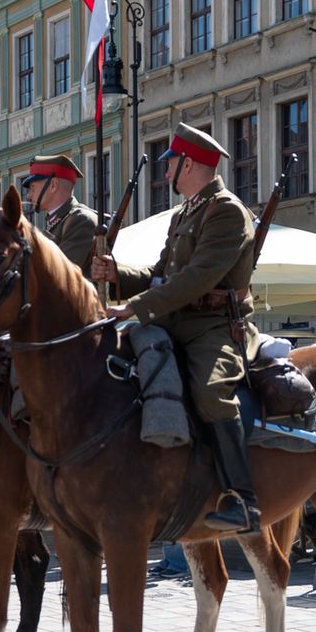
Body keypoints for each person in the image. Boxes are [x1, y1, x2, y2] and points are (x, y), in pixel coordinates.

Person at [92, 122, 261, 533]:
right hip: (175, 321)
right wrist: (119, 274)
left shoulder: (227, 212)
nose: (165, 170)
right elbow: (161, 272)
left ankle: (243, 501)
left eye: (171, 163)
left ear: (189, 164)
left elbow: (195, 279)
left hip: (214, 328)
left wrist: (135, 307)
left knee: (209, 393)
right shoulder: (186, 212)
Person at [21, 153, 98, 275]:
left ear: (53, 185)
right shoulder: (58, 221)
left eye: (33, 188)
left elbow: (57, 275)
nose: (29, 195)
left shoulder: (81, 220)